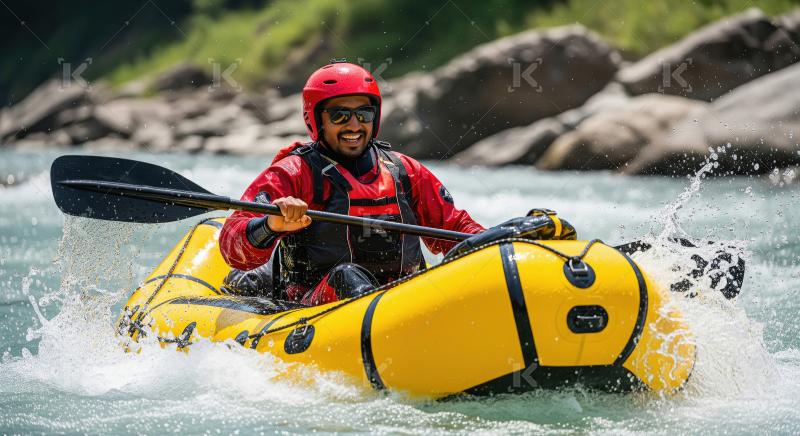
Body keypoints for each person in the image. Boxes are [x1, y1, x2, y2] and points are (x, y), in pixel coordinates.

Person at [219, 61, 574, 306]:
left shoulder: (404, 170)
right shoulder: (293, 173)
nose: (354, 124)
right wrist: (272, 224)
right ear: (316, 120)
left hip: (406, 302)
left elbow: (456, 230)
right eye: (340, 114)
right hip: (317, 304)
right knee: (348, 276)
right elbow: (232, 244)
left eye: (364, 113)